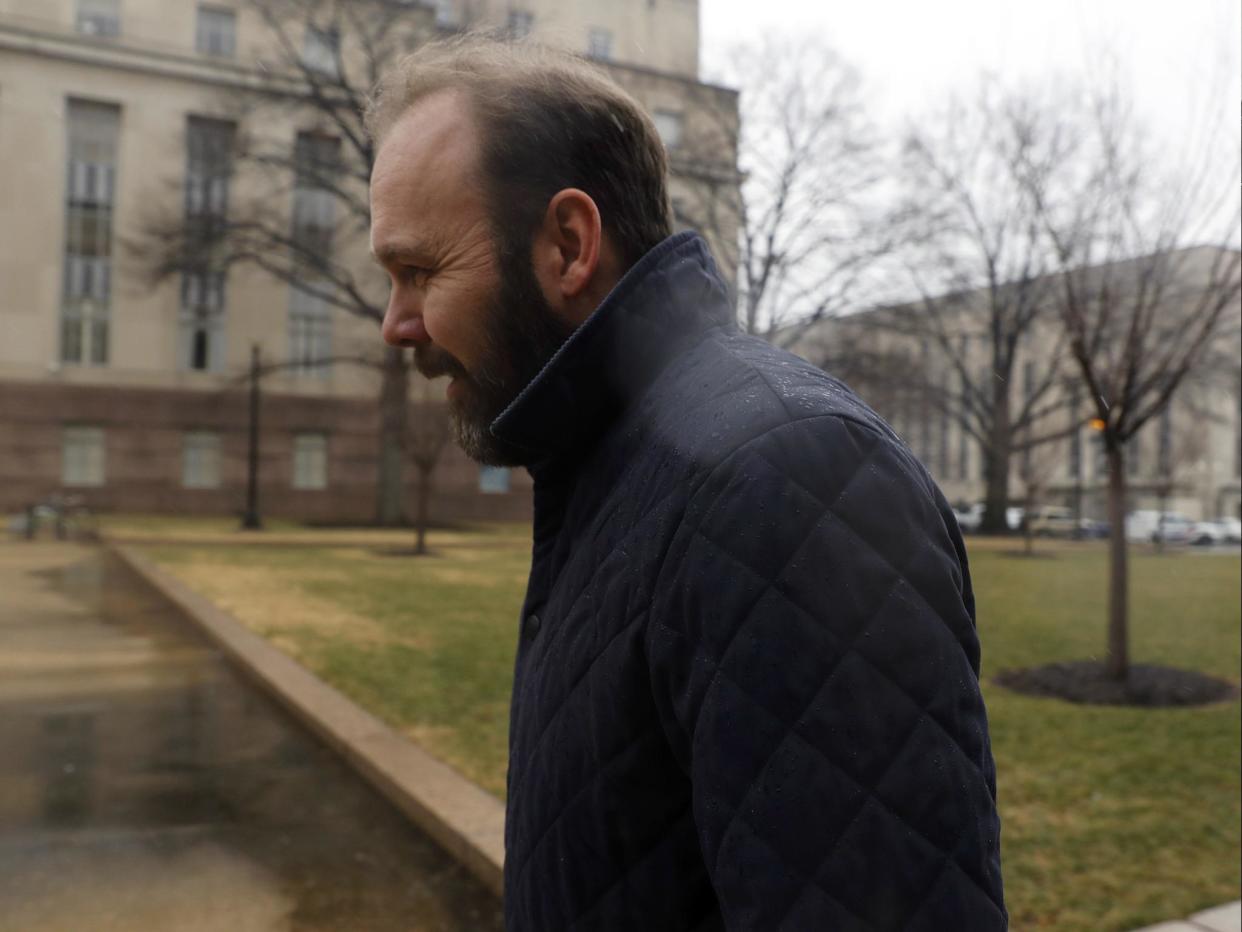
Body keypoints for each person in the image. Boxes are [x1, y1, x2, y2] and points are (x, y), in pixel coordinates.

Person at [367, 36, 1006, 931]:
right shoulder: (616, 467)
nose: (396, 325)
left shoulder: (787, 477)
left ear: (568, 244)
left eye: (420, 271)